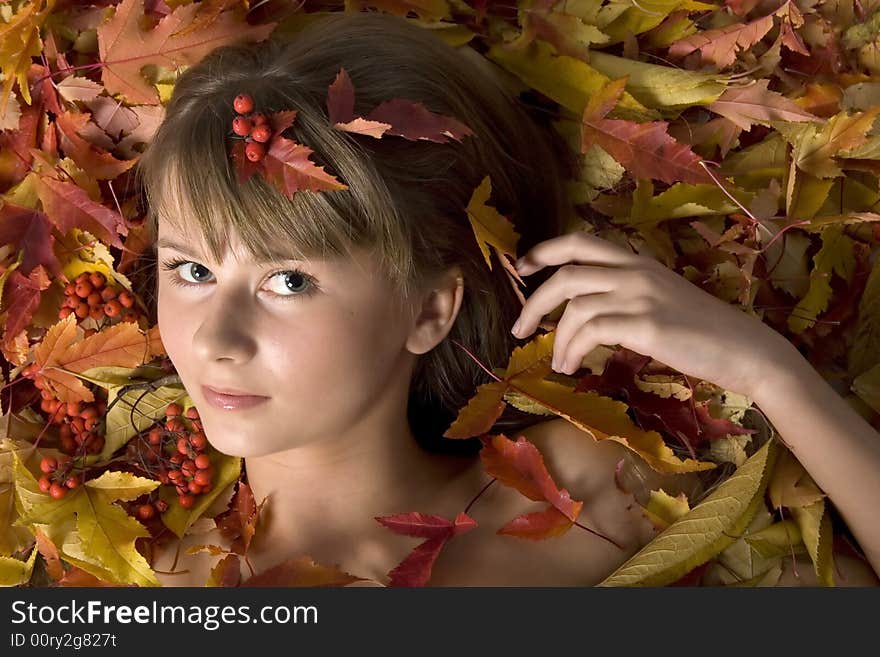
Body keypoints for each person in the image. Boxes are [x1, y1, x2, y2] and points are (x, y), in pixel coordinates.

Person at [132, 10, 880, 586]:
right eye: (191, 270)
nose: (213, 340)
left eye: (288, 281)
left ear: (431, 309)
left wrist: (772, 374)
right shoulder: (146, 583)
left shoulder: (585, 489)